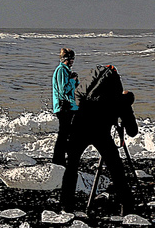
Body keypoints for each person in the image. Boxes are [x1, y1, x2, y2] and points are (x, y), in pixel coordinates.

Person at [58, 64, 138, 214]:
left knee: (71, 167)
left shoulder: (83, 89)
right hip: (101, 133)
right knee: (116, 168)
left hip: (78, 128)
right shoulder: (118, 97)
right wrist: (127, 101)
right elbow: (132, 131)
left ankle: (66, 206)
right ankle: (127, 207)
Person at [51, 48, 79, 167]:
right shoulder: (61, 70)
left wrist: (75, 81)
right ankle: (58, 160)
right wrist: (72, 81)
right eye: (71, 59)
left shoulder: (67, 71)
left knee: (67, 133)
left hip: (69, 106)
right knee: (63, 134)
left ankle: (62, 159)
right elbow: (64, 90)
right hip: (64, 107)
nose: (72, 61)